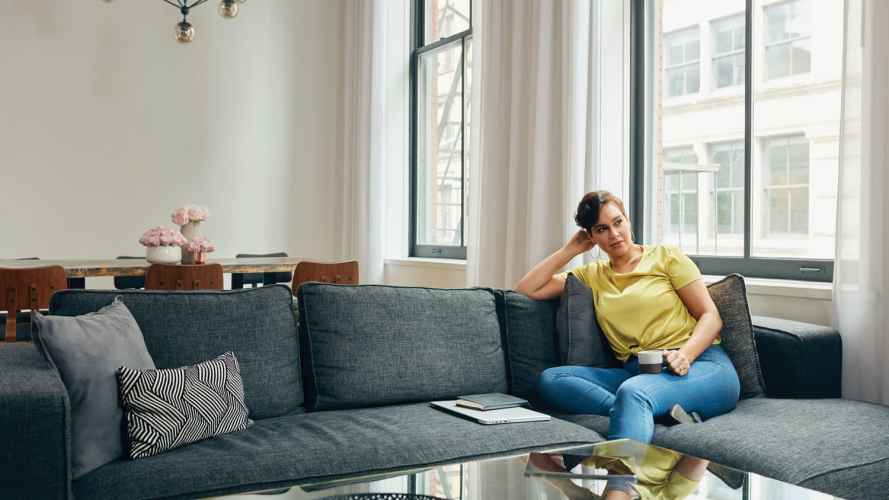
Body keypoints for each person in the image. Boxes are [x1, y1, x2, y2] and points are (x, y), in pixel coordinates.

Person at [515, 191, 740, 445]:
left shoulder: (666, 257)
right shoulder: (592, 274)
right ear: (591, 236)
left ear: (627, 220)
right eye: (602, 229)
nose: (614, 234)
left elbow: (711, 317)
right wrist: (570, 250)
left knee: (634, 394)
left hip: (701, 364)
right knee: (552, 380)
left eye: (618, 222)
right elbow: (527, 289)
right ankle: (646, 412)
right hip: (639, 372)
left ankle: (620, 482)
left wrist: (685, 355)